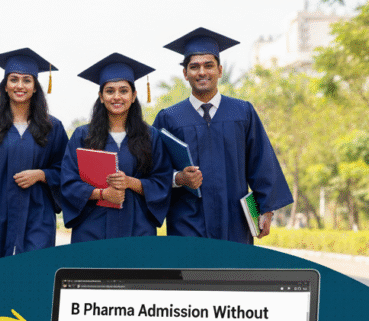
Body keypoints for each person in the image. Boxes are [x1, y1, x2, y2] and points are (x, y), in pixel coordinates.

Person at [153, 27, 293, 243]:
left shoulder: (243, 112)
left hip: (235, 222)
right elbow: (154, 170)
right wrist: (178, 178)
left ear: (219, 70)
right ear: (185, 73)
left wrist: (266, 210)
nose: (202, 72)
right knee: (191, 276)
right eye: (194, 67)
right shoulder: (169, 118)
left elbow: (261, 163)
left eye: (208, 65)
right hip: (187, 223)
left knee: (232, 276)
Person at [0, 48, 69, 262]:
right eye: (14, 79)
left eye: (27, 80)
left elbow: (67, 169)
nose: (20, 86)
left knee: (35, 274)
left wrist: (42, 175)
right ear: (5, 86)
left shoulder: (52, 127)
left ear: (36, 87)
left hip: (38, 214)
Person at [60, 53, 172, 241]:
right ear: (101, 97)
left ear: (134, 95)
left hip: (138, 229)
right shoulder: (82, 136)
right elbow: (68, 183)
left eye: (123, 90)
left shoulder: (150, 136)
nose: (117, 97)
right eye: (110, 91)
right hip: (92, 229)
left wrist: (130, 182)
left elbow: (162, 181)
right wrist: (103, 194)